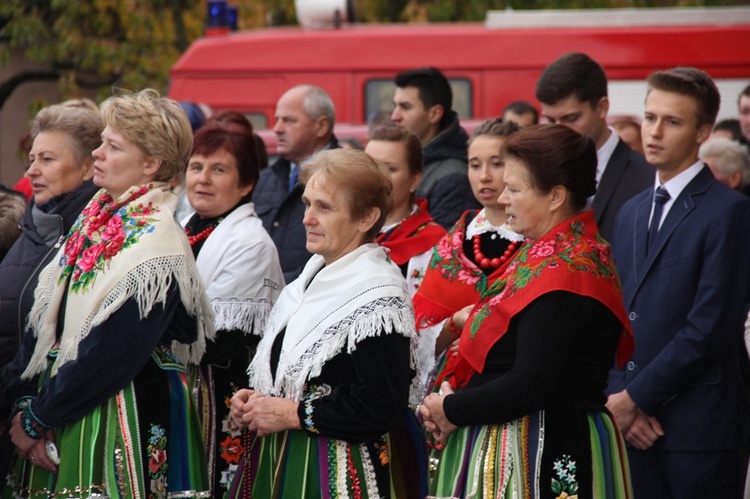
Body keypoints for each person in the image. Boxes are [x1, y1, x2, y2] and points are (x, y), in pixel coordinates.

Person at [2, 89, 214, 498]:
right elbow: (46, 317)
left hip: (113, 412)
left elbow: (113, 352)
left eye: (112, 146)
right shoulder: (95, 219)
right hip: (62, 403)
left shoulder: (157, 244)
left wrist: (37, 418)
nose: (97, 153)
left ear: (151, 163)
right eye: (101, 142)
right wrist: (24, 400)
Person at [421, 124, 634, 498]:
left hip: (543, 453)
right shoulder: (548, 255)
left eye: (515, 189)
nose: (503, 199)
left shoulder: (566, 271)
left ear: (555, 196)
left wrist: (451, 409)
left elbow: (530, 383)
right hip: (525, 442)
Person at [227, 149, 423, 498]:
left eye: (325, 207)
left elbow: (381, 405)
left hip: (338, 471)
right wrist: (258, 399)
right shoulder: (309, 278)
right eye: (307, 203)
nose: (307, 218)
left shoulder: (377, 294)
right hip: (282, 458)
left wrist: (293, 414)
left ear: (366, 218)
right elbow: (297, 373)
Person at [606, 68, 750, 498]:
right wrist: (621, 399)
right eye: (650, 117)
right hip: (631, 424)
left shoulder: (729, 212)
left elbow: (711, 326)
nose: (654, 131)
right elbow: (615, 311)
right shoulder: (631, 211)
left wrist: (636, 399)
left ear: (703, 131)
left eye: (672, 122)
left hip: (699, 429)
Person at [0, 104, 102, 488]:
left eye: (47, 159)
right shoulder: (30, 227)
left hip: (50, 429)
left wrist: (32, 416)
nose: (31, 171)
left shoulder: (92, 236)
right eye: (31, 159)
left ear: (89, 166)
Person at [183, 121, 284, 496]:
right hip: (184, 385)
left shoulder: (250, 243)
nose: (203, 179)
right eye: (197, 167)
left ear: (246, 184)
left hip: (223, 395)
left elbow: (221, 340)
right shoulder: (187, 226)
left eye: (219, 169)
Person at [412, 118, 524, 390]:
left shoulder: (535, 239)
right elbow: (422, 335)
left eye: (497, 163)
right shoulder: (452, 242)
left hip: (512, 384)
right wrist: (453, 324)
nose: (484, 175)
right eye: (475, 165)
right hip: (452, 387)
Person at [536, 52, 653, 241]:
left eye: (571, 119)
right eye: (550, 120)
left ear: (602, 107)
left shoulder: (649, 179)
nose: (559, 130)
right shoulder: (537, 174)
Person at [252, 85, 339, 282]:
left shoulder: (347, 180)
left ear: (321, 126)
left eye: (288, 120)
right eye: (277, 119)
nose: (277, 128)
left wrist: (276, 286)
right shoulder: (265, 179)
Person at [391, 67, 479, 229]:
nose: (395, 116)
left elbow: (442, 248)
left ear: (434, 114)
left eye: (405, 107)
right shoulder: (416, 160)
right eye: (395, 106)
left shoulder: (454, 176)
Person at [365, 126, 445, 294]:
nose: (378, 177)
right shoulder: (347, 230)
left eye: (390, 169)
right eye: (370, 166)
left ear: (414, 180)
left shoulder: (433, 243)